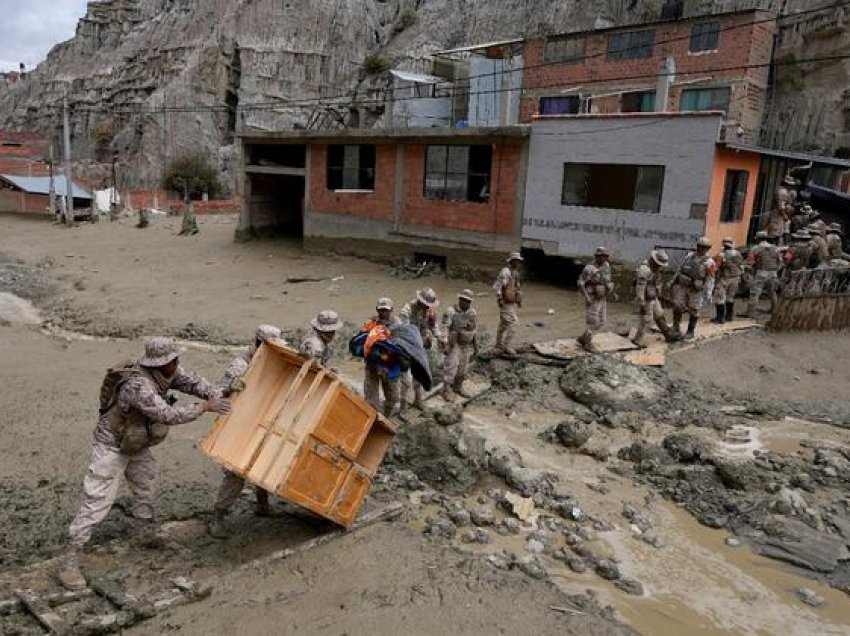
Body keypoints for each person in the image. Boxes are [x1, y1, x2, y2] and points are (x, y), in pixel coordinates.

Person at [59, 338, 230, 590]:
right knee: (97, 500)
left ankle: (145, 535)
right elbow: (167, 415)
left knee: (145, 486)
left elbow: (193, 382)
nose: (177, 364)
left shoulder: (168, 371)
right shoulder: (138, 385)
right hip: (112, 446)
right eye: (173, 361)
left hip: (136, 441)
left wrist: (216, 393)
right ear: (160, 363)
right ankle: (70, 563)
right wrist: (205, 406)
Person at [209, 326, 282, 539]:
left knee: (263, 462)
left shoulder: (269, 359)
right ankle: (218, 516)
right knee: (236, 473)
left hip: (260, 420)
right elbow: (218, 391)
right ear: (260, 344)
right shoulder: (240, 366)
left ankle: (262, 505)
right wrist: (233, 388)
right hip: (238, 425)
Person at [399, 289, 440, 410]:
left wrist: (440, 337)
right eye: (425, 304)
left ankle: (418, 400)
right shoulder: (407, 309)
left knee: (419, 374)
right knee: (405, 379)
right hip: (407, 346)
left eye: (429, 305)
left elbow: (434, 327)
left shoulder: (429, 311)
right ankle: (402, 405)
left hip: (420, 347)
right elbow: (404, 330)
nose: (427, 306)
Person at [632, 249, 680, 347]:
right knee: (646, 320)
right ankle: (637, 340)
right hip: (645, 299)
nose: (660, 266)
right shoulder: (644, 270)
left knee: (659, 314)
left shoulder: (655, 271)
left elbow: (657, 286)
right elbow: (640, 289)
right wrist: (642, 304)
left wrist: (662, 297)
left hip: (653, 296)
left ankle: (668, 334)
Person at [671, 236, 716, 340]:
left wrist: (709, 292)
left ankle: (690, 331)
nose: (700, 248)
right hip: (683, 285)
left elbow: (711, 278)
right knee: (677, 306)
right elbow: (680, 268)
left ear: (708, 248)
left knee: (694, 309)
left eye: (704, 247)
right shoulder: (689, 256)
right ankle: (675, 327)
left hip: (697, 289)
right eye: (699, 246)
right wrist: (673, 280)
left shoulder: (709, 262)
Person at [363, 297, 401, 416]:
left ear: (391, 310)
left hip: (389, 366)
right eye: (381, 310)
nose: (383, 312)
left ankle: (386, 417)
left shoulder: (397, 325)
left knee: (392, 397)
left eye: (386, 310)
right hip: (373, 365)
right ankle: (372, 421)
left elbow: (400, 347)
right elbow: (363, 342)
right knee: (371, 399)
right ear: (377, 309)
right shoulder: (371, 323)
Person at [440, 289, 479, 402]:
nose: (465, 302)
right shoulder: (450, 311)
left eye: (468, 300)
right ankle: (446, 389)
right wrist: (445, 343)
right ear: (460, 299)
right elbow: (445, 327)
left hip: (466, 342)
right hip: (454, 342)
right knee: (451, 366)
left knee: (463, 366)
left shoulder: (472, 313)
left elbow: (475, 329)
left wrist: (476, 347)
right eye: (463, 299)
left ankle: (458, 387)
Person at [577, 247, 615, 353]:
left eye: (606, 256)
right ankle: (588, 344)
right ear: (597, 256)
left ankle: (583, 338)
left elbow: (607, 280)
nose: (605, 258)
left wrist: (611, 290)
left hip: (602, 297)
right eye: (603, 256)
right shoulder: (589, 268)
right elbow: (580, 283)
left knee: (602, 321)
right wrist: (587, 297)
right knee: (592, 322)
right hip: (592, 297)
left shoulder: (606, 266)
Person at [492, 252, 523, 357]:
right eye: (516, 261)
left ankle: (498, 344)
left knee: (503, 324)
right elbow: (498, 286)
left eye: (519, 261)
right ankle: (507, 346)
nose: (518, 263)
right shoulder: (506, 272)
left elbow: (517, 288)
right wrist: (499, 299)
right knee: (514, 323)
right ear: (511, 261)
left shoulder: (515, 273)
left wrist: (519, 300)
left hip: (511, 303)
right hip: (505, 303)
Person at [746, 231, 782, 317]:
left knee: (755, 293)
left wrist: (751, 269)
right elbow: (780, 261)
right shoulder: (775, 248)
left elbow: (750, 262)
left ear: (758, 239)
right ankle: (775, 310)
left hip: (761, 272)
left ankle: (751, 312)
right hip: (773, 273)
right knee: (772, 292)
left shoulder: (756, 248)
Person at [711, 237, 744, 324]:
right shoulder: (738, 253)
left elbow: (717, 266)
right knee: (730, 297)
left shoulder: (721, 254)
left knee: (719, 298)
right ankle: (729, 316)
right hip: (736, 278)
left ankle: (720, 318)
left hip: (724, 278)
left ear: (723, 244)